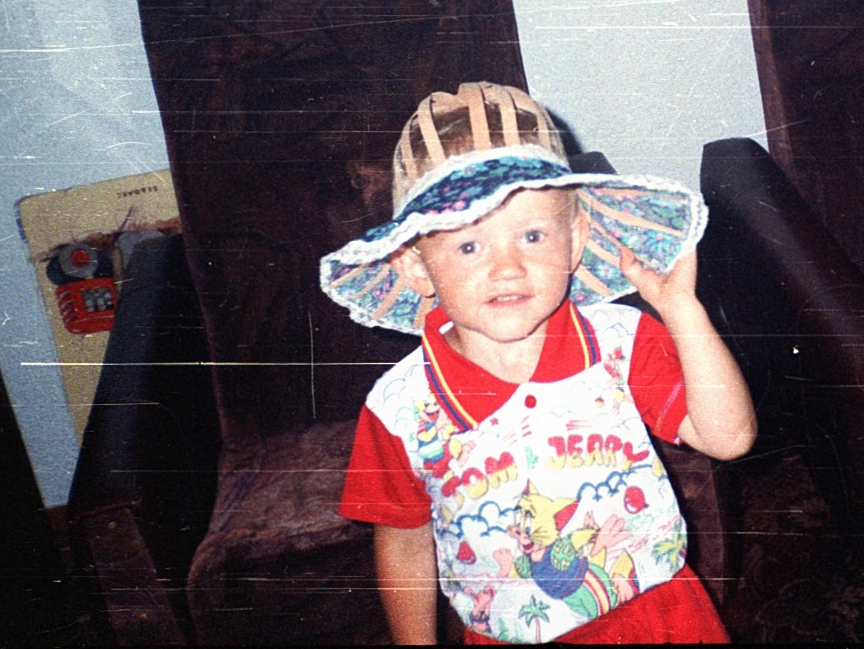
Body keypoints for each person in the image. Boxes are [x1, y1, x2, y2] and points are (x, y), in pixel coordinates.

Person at [321, 82, 756, 644]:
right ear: (416, 267)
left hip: (658, 617)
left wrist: (681, 311)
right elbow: (403, 540)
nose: (508, 267)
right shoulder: (400, 408)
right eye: (469, 246)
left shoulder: (619, 343)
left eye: (531, 235)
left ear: (573, 241)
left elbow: (730, 437)